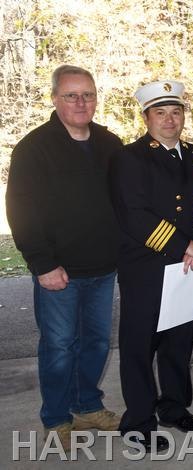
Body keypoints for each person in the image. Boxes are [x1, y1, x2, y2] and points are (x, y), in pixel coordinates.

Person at [6, 65, 122, 449]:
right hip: (59, 270)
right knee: (58, 347)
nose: (80, 102)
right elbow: (21, 208)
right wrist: (42, 263)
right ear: (54, 99)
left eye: (87, 94)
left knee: (97, 343)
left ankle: (87, 405)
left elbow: (126, 200)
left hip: (104, 268)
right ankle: (56, 418)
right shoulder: (35, 147)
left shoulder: (110, 143)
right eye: (71, 95)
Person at [111, 80, 193, 451]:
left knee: (179, 342)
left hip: (190, 265)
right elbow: (134, 216)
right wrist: (184, 245)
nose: (170, 120)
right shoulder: (129, 158)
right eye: (160, 112)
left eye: (176, 112)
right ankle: (138, 422)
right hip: (147, 267)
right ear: (146, 117)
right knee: (140, 346)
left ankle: (174, 408)